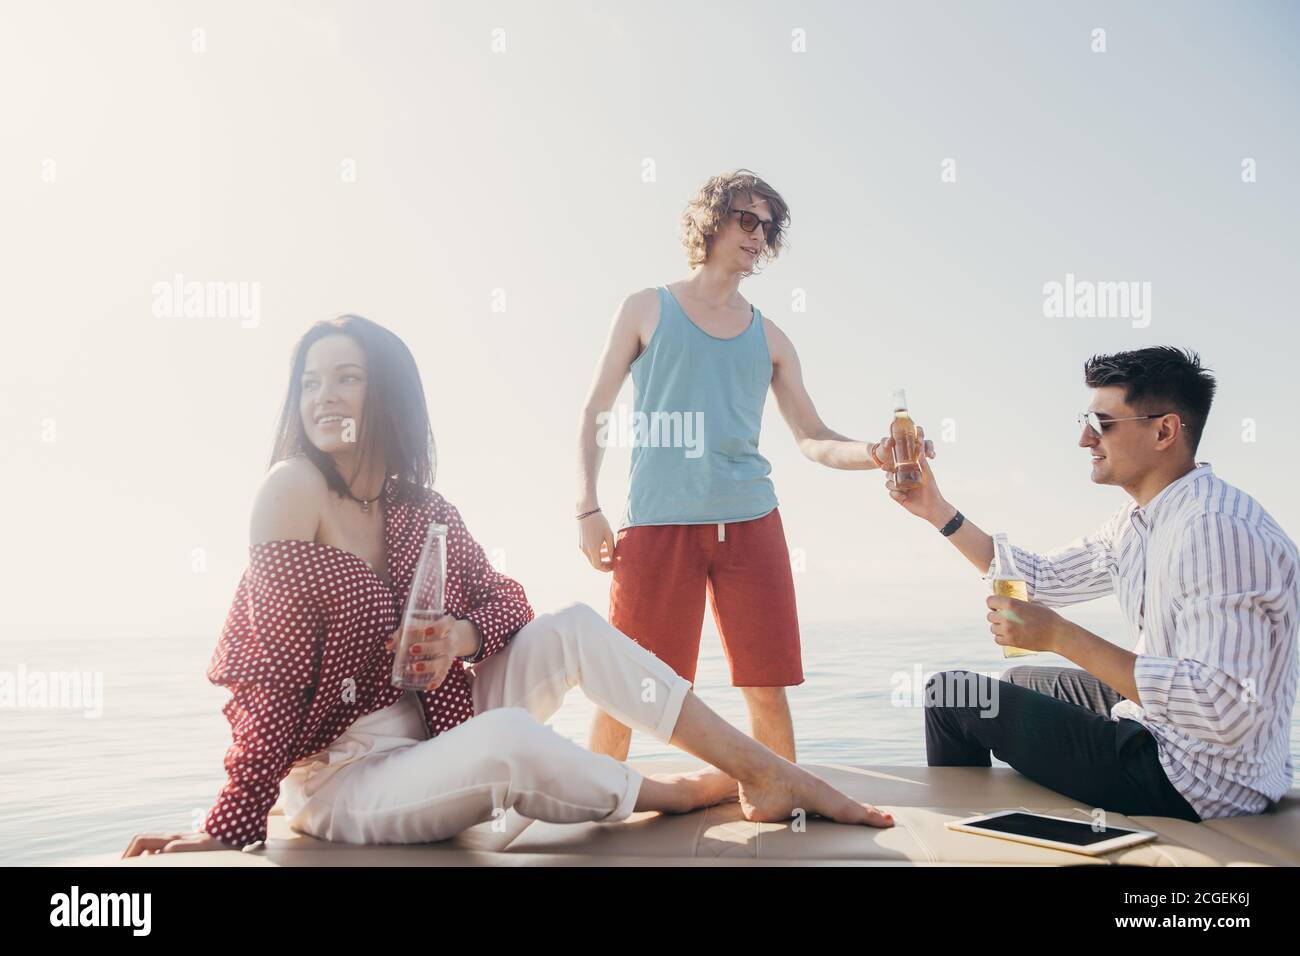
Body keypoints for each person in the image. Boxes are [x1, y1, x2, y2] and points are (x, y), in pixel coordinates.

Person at [123, 315, 893, 857]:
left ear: (385, 392)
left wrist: (461, 637)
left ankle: (765, 771)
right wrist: (232, 820)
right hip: (344, 776)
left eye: (347, 378)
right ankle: (684, 791)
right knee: (508, 742)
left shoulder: (423, 510)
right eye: (310, 381)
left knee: (573, 626)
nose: (323, 396)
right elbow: (276, 672)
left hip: (436, 727)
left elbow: (509, 604)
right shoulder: (291, 490)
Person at [577, 169, 930, 762]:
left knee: (766, 686)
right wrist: (587, 506)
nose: (758, 235)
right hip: (658, 524)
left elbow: (814, 438)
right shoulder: (645, 308)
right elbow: (595, 409)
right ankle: (590, 804)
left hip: (751, 524)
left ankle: (779, 804)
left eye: (768, 227)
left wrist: (874, 453)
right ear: (711, 220)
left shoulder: (773, 339)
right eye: (747, 219)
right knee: (627, 690)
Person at [884, 347, 1298, 820]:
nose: (1084, 438)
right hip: (1169, 732)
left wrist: (1060, 636)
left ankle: (958, 843)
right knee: (1019, 680)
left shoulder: (1215, 529)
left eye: (1102, 423)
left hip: (1196, 780)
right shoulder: (1141, 520)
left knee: (951, 694)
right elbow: (1038, 578)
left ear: (1164, 430)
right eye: (1086, 420)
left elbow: (1217, 706)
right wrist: (935, 507)